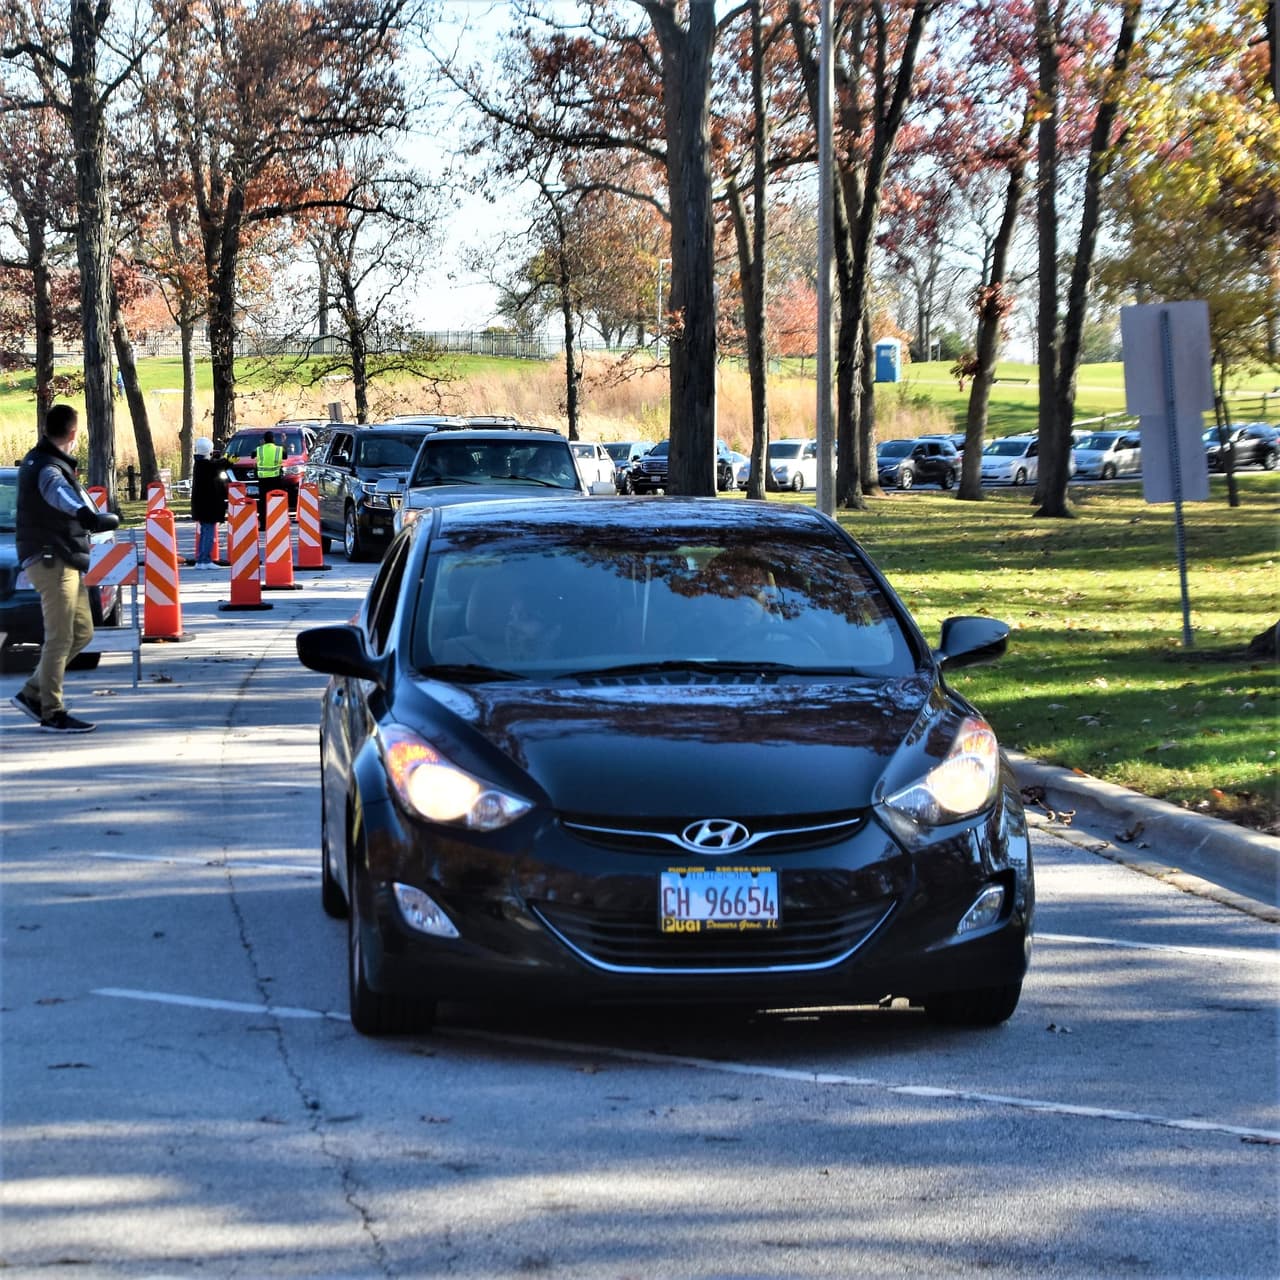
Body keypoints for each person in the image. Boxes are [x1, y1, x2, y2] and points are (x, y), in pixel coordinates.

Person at [9, 403, 120, 733]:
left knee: (83, 632)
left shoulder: (44, 460)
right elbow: (57, 493)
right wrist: (86, 515)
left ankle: (32, 692)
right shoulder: (46, 466)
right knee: (59, 639)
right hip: (50, 559)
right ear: (73, 433)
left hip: (65, 559)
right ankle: (51, 710)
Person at [189, 436, 229, 568]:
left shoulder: (200, 464)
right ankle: (205, 560)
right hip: (208, 506)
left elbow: (215, 465)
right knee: (208, 533)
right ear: (209, 451)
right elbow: (218, 466)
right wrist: (228, 461)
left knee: (205, 532)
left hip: (201, 506)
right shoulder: (206, 466)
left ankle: (201, 559)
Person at [254, 430, 283, 526]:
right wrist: (283, 442)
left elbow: (252, 455)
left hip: (263, 479)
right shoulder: (279, 449)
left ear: (264, 440)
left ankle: (263, 523)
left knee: (262, 501)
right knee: (275, 499)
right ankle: (275, 521)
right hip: (275, 478)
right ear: (273, 439)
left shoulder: (259, 449)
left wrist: (260, 445)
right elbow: (286, 456)